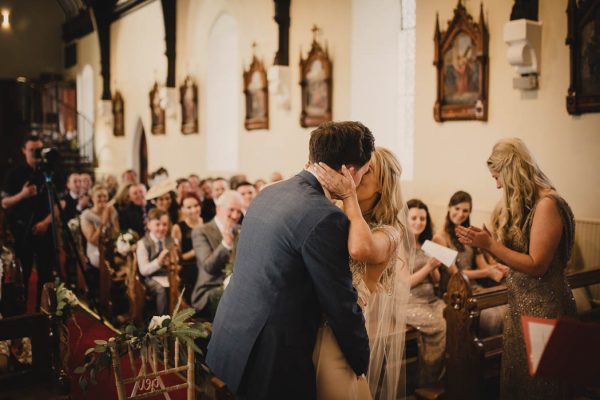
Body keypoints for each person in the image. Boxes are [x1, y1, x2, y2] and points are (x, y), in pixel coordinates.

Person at [206, 121, 374, 399]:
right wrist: (360, 359)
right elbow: (339, 300)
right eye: (364, 173)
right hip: (268, 357)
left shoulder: (270, 191)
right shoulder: (325, 216)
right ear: (349, 171)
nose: (361, 182)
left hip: (231, 337)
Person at [456, 138, 576, 400]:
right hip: (521, 307)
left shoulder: (547, 205)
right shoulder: (531, 203)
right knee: (519, 384)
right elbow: (519, 258)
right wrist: (487, 245)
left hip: (545, 310)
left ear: (511, 171)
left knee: (543, 387)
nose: (497, 184)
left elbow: (537, 266)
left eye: (497, 177)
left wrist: (490, 245)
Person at [312, 147, 414, 400]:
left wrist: (347, 196)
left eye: (367, 170)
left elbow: (359, 248)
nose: (356, 173)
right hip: (308, 324)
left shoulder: (390, 231)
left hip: (340, 332)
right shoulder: (336, 214)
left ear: (382, 185)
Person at [434, 190, 507, 335]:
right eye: (457, 209)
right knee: (494, 318)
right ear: (449, 207)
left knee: (508, 308)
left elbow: (484, 266)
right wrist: (487, 271)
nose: (460, 214)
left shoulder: (469, 234)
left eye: (465, 210)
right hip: (456, 292)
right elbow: (455, 273)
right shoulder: (439, 238)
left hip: (476, 288)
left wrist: (497, 268)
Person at [1, 135, 54, 307]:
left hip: (45, 229)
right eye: (32, 150)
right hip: (22, 231)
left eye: (38, 149)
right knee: (22, 276)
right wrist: (23, 195)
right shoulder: (14, 174)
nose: (35, 153)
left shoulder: (48, 172)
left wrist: (46, 223)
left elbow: (57, 203)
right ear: (24, 151)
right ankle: (21, 317)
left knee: (46, 275)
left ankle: (43, 314)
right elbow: (4, 202)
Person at [405, 199, 446, 388]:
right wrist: (428, 266)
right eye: (414, 218)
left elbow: (437, 281)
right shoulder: (400, 247)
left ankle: (444, 376)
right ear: (405, 219)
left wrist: (434, 267)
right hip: (409, 303)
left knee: (454, 317)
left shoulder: (428, 245)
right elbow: (404, 284)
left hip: (431, 299)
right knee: (439, 324)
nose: (418, 222)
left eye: (422, 218)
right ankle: (428, 381)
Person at [191, 190, 243, 320]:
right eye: (231, 210)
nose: (235, 215)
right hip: (209, 290)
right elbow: (208, 266)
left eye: (238, 211)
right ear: (218, 208)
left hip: (236, 287)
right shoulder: (201, 231)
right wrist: (226, 244)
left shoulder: (240, 230)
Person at [80, 184, 119, 294]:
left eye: (105, 196)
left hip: (110, 247)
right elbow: (92, 239)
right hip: (95, 249)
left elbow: (117, 234)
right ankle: (104, 294)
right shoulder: (86, 215)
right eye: (99, 196)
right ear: (92, 198)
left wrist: (112, 219)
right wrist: (103, 223)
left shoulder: (112, 211)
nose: (102, 199)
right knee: (103, 262)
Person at [136, 208, 174, 315]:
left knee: (178, 284)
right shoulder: (143, 243)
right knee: (161, 289)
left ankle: (178, 317)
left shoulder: (170, 240)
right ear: (149, 225)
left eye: (165, 224)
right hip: (151, 277)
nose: (161, 228)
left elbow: (176, 260)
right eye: (157, 224)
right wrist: (159, 262)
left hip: (167, 275)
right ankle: (162, 322)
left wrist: (172, 262)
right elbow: (143, 270)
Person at [171, 193, 203, 304]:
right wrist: (195, 251)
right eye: (189, 207)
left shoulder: (206, 223)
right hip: (188, 266)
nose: (193, 210)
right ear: (182, 209)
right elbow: (177, 258)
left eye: (196, 205)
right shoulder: (178, 228)